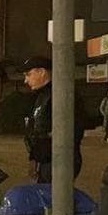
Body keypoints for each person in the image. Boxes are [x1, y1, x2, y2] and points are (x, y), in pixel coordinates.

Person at [19, 56, 84, 184]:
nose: (26, 80)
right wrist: (34, 158)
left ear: (42, 72)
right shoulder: (41, 96)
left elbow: (71, 129)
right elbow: (36, 129)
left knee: (56, 199)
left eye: (28, 74)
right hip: (45, 161)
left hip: (59, 161)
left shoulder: (61, 94)